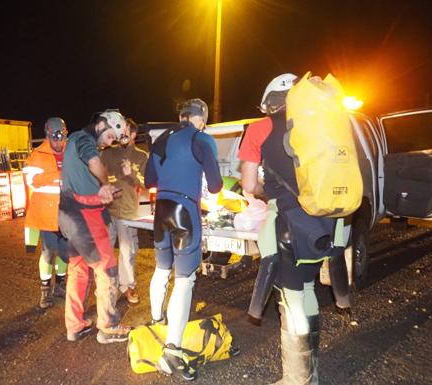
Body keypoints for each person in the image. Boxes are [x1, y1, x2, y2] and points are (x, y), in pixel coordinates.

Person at [239, 73, 345, 385]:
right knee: (309, 288)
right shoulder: (321, 123)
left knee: (291, 297)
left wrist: (262, 186)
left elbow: (247, 184)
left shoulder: (259, 128)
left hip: (286, 220)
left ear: (269, 101)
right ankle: (310, 373)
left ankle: (298, 379)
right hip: (326, 219)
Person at [145, 98, 222, 380]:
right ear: (200, 117)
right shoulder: (202, 139)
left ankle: (156, 321)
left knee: (162, 269)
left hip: (161, 211)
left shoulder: (162, 138)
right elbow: (215, 185)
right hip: (185, 211)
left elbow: (148, 180)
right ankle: (172, 351)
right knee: (185, 279)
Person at [58, 109, 132, 344]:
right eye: (110, 137)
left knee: (78, 270)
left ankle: (75, 325)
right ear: (101, 125)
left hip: (68, 213)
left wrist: (103, 190)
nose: (109, 143)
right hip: (84, 215)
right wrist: (104, 185)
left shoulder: (74, 140)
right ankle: (108, 327)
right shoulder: (84, 138)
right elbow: (93, 162)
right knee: (107, 269)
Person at [100, 118, 148, 304]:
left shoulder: (141, 156)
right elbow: (98, 175)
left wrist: (131, 175)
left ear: (134, 134)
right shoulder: (108, 154)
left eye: (126, 131)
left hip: (129, 211)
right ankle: (107, 287)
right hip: (108, 210)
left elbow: (147, 183)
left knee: (128, 251)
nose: (122, 135)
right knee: (105, 250)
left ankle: (127, 287)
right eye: (120, 131)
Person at [22, 117, 69, 310]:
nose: (59, 143)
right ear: (48, 136)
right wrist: (57, 175)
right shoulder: (37, 155)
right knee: (49, 252)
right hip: (46, 214)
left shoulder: (70, 153)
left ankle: (60, 285)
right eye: (55, 138)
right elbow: (31, 181)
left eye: (63, 137)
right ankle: (45, 290)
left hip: (67, 214)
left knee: (65, 254)